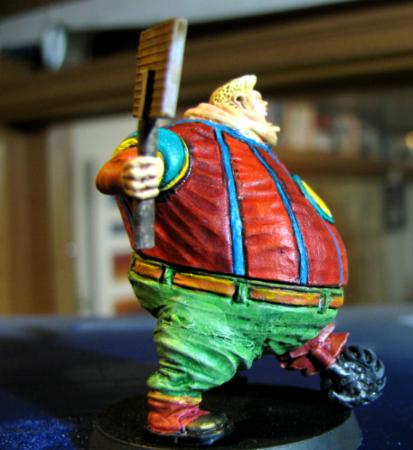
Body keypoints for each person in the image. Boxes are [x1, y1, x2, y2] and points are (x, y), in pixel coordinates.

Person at [96, 75, 352, 444]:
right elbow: (124, 167)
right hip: (214, 295)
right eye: (258, 101)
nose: (266, 109)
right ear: (238, 102)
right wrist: (130, 172)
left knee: (266, 340)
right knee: (202, 348)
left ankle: (313, 352)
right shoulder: (190, 140)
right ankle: (172, 410)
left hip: (292, 304)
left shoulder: (259, 155)